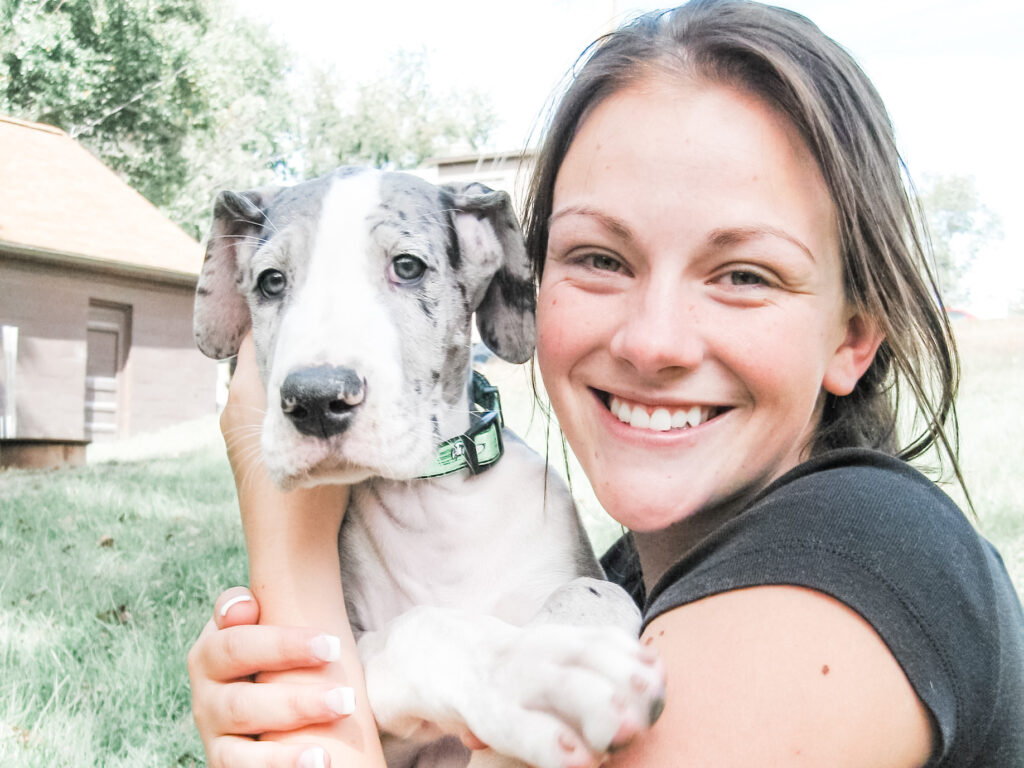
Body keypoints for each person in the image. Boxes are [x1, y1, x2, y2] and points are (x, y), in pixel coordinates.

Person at [187, 1, 1024, 766]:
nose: (652, 341)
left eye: (743, 274)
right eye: (599, 259)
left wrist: (287, 551)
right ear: (532, 284)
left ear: (851, 337)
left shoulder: (859, 563)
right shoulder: (625, 577)